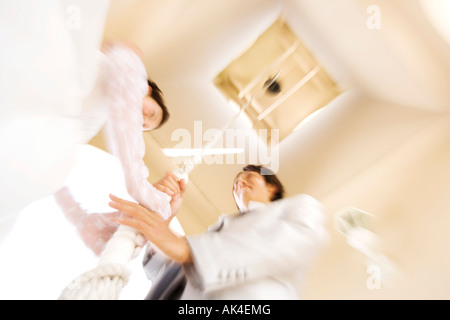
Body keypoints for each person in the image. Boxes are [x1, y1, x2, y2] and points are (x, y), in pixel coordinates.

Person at [109, 164, 328, 299]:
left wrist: (186, 249)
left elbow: (291, 244)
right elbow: (164, 270)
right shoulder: (214, 234)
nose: (240, 184)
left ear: (272, 187)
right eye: (236, 184)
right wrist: (165, 218)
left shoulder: (300, 207)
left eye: (249, 179)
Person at [54, 42, 178, 257]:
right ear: (147, 90)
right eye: (150, 114)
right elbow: (127, 130)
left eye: (144, 126)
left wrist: (81, 219)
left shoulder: (95, 122)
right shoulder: (132, 69)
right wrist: (149, 195)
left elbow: (52, 165)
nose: (141, 120)